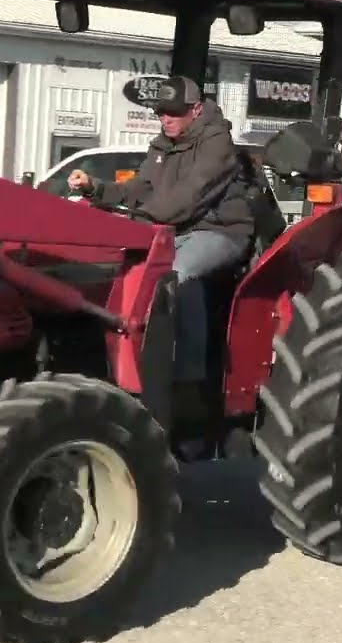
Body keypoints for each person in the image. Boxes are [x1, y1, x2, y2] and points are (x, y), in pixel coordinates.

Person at [68, 75, 254, 409]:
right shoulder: (162, 145)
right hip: (173, 230)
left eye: (173, 112)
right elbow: (137, 190)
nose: (165, 118)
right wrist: (95, 188)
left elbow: (190, 197)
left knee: (176, 276)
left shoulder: (217, 145)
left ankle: (188, 384)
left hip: (219, 231)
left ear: (196, 110)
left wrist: (141, 221)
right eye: (160, 112)